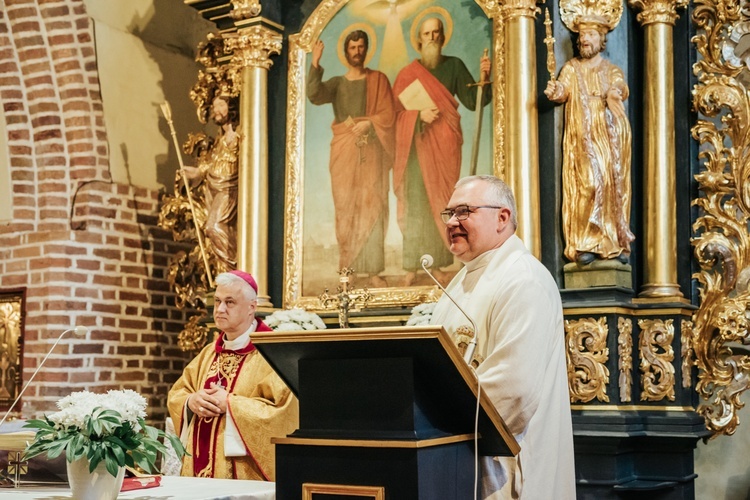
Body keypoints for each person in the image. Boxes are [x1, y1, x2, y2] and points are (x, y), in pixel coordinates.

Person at [429, 175, 575, 499]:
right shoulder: (462, 281)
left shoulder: (523, 280)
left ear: (502, 217)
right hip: (460, 460)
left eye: (464, 211)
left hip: (504, 467)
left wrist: (430, 425)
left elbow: (512, 389)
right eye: (449, 213)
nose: (452, 222)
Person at [167, 270, 298, 480]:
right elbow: (179, 393)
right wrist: (191, 401)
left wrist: (230, 404)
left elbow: (285, 414)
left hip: (245, 474)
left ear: (251, 308)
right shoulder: (208, 353)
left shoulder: (273, 354)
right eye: (217, 301)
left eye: (229, 302)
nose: (219, 309)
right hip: (198, 471)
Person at [393, 17, 491, 285]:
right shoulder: (406, 75)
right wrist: (416, 116)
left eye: (436, 32)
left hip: (445, 143)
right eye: (427, 33)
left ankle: (440, 264)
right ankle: (413, 266)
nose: (432, 37)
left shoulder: (454, 66)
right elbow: (394, 116)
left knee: (443, 202)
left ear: (443, 36)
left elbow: (473, 101)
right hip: (417, 147)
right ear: (419, 39)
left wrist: (484, 78)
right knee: (417, 203)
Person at [307, 30, 396, 287]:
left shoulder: (378, 80)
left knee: (374, 202)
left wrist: (370, 123)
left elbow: (389, 113)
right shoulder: (337, 83)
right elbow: (315, 95)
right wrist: (315, 62)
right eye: (352, 47)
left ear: (366, 50)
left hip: (372, 150)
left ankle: (374, 270)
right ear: (346, 53)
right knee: (346, 206)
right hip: (345, 149)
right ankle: (348, 268)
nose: (357, 51)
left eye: (361, 47)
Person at [544, 17, 634, 265]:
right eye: (582, 35)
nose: (584, 39)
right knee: (588, 184)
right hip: (582, 135)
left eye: (591, 35)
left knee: (610, 186)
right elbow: (563, 91)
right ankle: (584, 242)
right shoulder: (571, 69)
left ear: (601, 39)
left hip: (608, 134)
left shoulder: (610, 69)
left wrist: (616, 92)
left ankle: (611, 243)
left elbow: (620, 86)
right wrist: (556, 92)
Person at [181, 93, 240, 275]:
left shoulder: (240, 136)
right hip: (214, 189)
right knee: (211, 228)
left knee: (213, 226)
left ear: (230, 107)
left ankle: (232, 270)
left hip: (229, 189)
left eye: (220, 105)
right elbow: (212, 165)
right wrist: (196, 172)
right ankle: (224, 271)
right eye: (214, 108)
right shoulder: (220, 141)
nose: (216, 111)